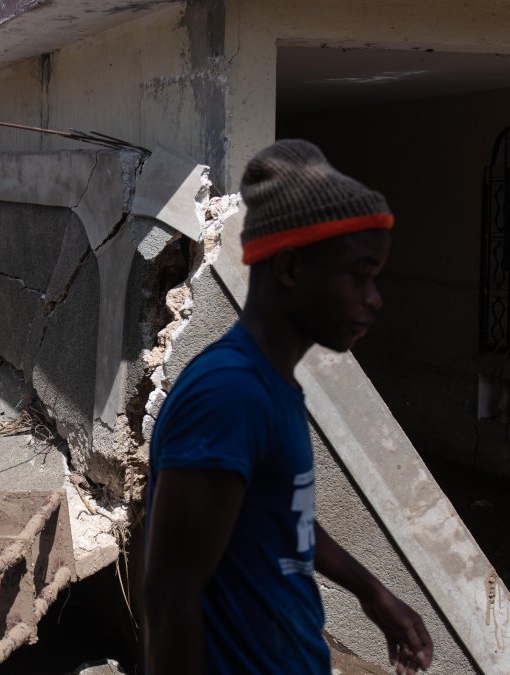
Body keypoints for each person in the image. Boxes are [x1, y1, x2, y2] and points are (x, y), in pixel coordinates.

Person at [143, 140, 434, 674]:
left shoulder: (272, 386)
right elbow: (169, 597)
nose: (375, 298)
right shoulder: (228, 397)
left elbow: (277, 517)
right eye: (360, 274)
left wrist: (371, 593)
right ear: (293, 268)